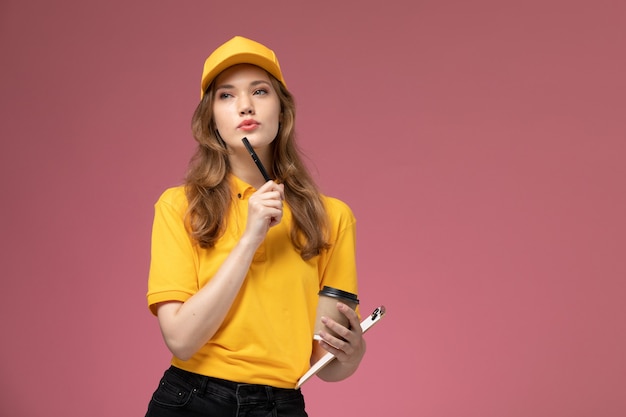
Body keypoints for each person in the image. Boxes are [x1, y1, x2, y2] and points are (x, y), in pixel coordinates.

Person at [145, 35, 365, 417]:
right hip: (191, 400)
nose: (245, 105)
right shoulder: (179, 206)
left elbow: (327, 362)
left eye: (260, 91)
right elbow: (180, 339)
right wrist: (250, 238)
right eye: (226, 96)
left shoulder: (332, 217)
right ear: (211, 120)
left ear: (283, 110)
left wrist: (352, 353)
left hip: (281, 405)